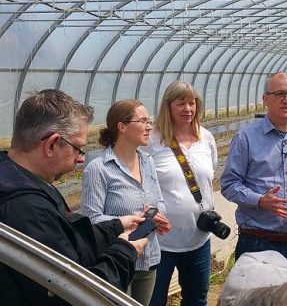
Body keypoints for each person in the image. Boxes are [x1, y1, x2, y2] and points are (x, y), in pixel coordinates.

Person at [0, 89, 147, 305]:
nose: (80, 160)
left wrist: (116, 226)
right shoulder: (27, 209)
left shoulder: (16, 179)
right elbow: (73, 294)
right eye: (78, 149)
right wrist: (124, 253)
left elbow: (67, 239)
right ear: (51, 144)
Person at [221, 72, 287, 279]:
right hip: (257, 240)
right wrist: (259, 200)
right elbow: (229, 184)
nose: (286, 100)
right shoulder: (246, 137)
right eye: (279, 94)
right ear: (265, 99)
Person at [80, 99, 172, 306]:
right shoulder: (99, 169)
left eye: (149, 120)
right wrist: (131, 220)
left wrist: (157, 214)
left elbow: (160, 201)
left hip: (148, 257)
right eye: (143, 121)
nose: (149, 126)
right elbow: (90, 220)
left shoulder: (147, 161)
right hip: (116, 263)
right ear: (122, 127)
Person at [145, 81, 219, 306]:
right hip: (161, 241)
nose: (188, 109)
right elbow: (139, 181)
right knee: (154, 300)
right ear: (168, 106)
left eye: (192, 103)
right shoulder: (152, 140)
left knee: (197, 299)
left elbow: (209, 175)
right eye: (181, 103)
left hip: (198, 238)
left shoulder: (206, 138)